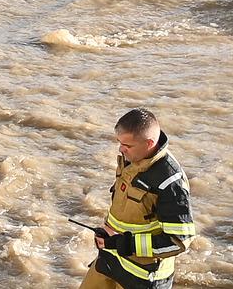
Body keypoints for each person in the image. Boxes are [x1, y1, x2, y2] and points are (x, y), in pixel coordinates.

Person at [78, 109, 196, 289]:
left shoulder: (170, 182)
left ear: (149, 143)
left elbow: (179, 241)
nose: (120, 148)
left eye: (127, 145)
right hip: (110, 259)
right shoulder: (132, 159)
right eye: (119, 142)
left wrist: (125, 244)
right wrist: (106, 233)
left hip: (142, 277)